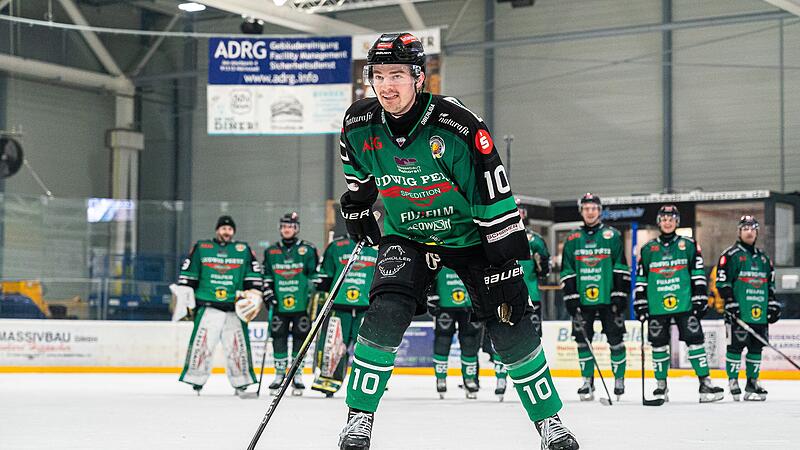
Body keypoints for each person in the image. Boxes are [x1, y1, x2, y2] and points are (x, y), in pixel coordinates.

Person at [336, 32, 578, 450]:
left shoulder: (457, 125)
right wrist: (357, 207)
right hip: (408, 234)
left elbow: (492, 194)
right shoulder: (359, 123)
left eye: (397, 75)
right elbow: (359, 177)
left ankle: (549, 423)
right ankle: (358, 418)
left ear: (418, 77)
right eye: (377, 75)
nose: (386, 85)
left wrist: (504, 256)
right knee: (385, 312)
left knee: (509, 323)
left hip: (472, 238)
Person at [633, 205, 723, 402]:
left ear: (677, 222)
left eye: (671, 218)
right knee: (658, 346)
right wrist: (640, 301)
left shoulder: (689, 245)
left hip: (685, 303)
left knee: (695, 341)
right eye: (664, 218)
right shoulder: (648, 249)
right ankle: (661, 386)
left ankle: (705, 383)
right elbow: (641, 278)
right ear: (659, 222)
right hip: (657, 305)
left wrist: (700, 295)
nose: (667, 222)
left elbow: (697, 273)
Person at [175, 215, 264, 395]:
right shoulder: (202, 248)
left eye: (230, 229)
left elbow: (253, 277)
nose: (226, 232)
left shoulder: (242, 249)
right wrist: (186, 297)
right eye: (223, 228)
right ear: (217, 230)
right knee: (202, 345)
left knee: (237, 346)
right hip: (208, 306)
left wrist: (254, 294)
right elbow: (188, 274)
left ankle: (241, 382)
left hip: (234, 308)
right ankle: (196, 380)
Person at [560, 193, 629, 401]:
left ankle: (619, 380)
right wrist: (570, 296)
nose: (590, 212)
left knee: (616, 339)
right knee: (582, 340)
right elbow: (567, 269)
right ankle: (587, 382)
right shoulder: (572, 238)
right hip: (582, 300)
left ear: (600, 211)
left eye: (594, 208)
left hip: (609, 299)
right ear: (581, 211)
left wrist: (620, 293)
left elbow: (621, 265)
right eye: (586, 208)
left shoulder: (612, 235)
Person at [485, 200, 552, 400]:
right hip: (502, 296)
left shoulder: (535, 240)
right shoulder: (491, 237)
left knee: (531, 338)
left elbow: (545, 271)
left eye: (519, 210)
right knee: (502, 337)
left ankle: (526, 378)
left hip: (530, 296)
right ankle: (501, 378)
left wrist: (543, 268)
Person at [716, 215, 780, 401]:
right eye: (745, 228)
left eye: (752, 228)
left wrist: (773, 305)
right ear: (739, 231)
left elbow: (770, 285)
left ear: (757, 232)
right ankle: (733, 381)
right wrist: (730, 302)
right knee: (735, 348)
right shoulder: (730, 255)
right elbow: (722, 283)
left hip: (759, 313)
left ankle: (752, 383)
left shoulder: (763, 258)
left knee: (756, 348)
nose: (749, 231)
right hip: (739, 314)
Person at [311, 235, 379, 397]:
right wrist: (319, 295)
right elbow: (325, 276)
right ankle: (329, 380)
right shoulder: (336, 246)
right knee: (332, 345)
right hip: (339, 306)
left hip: (366, 306)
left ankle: (370, 383)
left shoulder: (378, 246)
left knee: (368, 347)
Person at [262, 212, 319, 396]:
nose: (287, 229)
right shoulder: (271, 251)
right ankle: (279, 375)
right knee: (278, 337)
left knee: (300, 339)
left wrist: (313, 294)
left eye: (291, 226)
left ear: (296, 229)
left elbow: (314, 276)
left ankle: (297, 376)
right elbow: (267, 276)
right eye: (284, 226)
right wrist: (268, 293)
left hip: (302, 304)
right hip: (279, 304)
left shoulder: (308, 250)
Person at [428, 267, 482, 399]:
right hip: (444, 303)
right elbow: (429, 271)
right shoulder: (437, 248)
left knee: (469, 341)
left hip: (469, 305)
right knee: (443, 339)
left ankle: (469, 379)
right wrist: (431, 295)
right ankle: (441, 379)